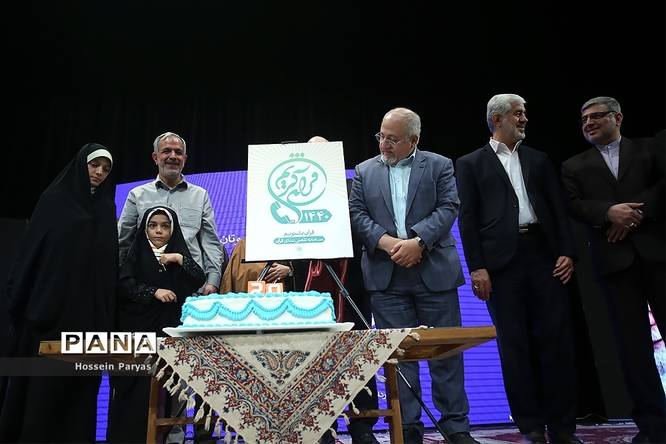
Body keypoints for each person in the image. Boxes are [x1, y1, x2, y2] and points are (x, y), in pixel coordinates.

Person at [455, 94, 580, 444]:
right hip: (501, 266)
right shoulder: (469, 163)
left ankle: (563, 428)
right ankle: (531, 427)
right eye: (517, 114)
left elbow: (557, 209)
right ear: (497, 119)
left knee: (556, 344)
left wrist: (567, 252)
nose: (524, 119)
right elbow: (467, 220)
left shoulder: (539, 159)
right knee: (514, 347)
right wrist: (477, 267)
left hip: (544, 257)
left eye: (524, 113)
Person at [349, 108, 479, 444]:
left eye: (393, 139)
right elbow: (357, 214)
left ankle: (455, 427)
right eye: (381, 136)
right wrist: (388, 243)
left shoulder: (439, 165)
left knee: (445, 354)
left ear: (414, 140)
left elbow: (449, 207)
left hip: (434, 272)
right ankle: (406, 428)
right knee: (399, 358)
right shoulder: (364, 170)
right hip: (386, 277)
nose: (384, 144)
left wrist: (418, 242)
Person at [561, 97, 665, 444]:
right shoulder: (574, 165)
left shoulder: (649, 149)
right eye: (583, 119)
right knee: (632, 349)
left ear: (617, 117)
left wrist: (634, 215)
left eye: (595, 116)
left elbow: (663, 186)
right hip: (614, 263)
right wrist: (609, 212)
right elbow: (573, 205)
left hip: (658, 256)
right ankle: (653, 426)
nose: (588, 123)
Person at [0, 143, 117, 442]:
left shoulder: (106, 207)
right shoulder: (55, 200)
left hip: (87, 318)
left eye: (105, 169)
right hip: (48, 313)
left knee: (78, 390)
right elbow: (32, 253)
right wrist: (27, 302)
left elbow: (107, 267)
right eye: (94, 165)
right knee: (43, 389)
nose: (99, 173)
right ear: (81, 165)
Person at [107, 206, 205, 443]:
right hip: (137, 334)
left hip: (168, 335)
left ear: (173, 229)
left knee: (169, 393)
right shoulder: (135, 254)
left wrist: (179, 259)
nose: (159, 231)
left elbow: (198, 279)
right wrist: (153, 292)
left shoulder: (178, 256)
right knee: (134, 393)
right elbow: (124, 286)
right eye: (153, 226)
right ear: (145, 229)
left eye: (165, 226)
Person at [117, 131, 224, 295]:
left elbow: (210, 241)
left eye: (178, 152)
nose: (173, 156)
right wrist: (126, 282)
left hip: (192, 286)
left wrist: (212, 281)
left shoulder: (200, 195)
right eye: (166, 151)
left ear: (184, 159)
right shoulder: (137, 195)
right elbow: (123, 242)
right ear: (155, 157)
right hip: (150, 287)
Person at [221, 237, 297, 293]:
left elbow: (299, 269)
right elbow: (231, 280)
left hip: (282, 299)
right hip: (248, 302)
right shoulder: (242, 245)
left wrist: (289, 271)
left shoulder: (287, 241)